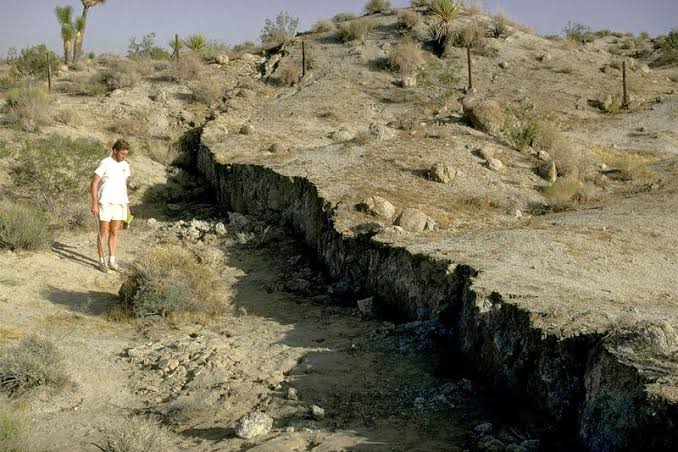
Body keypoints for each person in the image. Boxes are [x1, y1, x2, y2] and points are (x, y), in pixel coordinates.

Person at [91, 139, 131, 273]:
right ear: (115, 151)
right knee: (104, 231)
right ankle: (101, 261)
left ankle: (112, 261)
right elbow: (95, 183)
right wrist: (94, 203)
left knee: (115, 232)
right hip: (105, 202)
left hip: (119, 203)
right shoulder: (105, 162)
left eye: (126, 154)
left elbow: (124, 186)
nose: (124, 156)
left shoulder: (125, 165)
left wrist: (127, 207)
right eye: (122, 154)